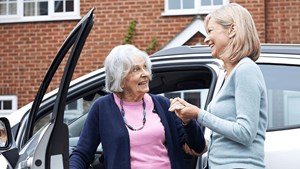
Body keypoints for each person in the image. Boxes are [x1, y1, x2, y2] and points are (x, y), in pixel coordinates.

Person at [69, 44, 206, 169]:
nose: (145, 74)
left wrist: (187, 121)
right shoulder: (102, 108)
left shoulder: (163, 105)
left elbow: (197, 147)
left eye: (145, 67)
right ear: (120, 79)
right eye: (136, 69)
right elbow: (82, 153)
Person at [169, 3, 268, 169]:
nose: (206, 38)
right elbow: (226, 135)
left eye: (211, 31)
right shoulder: (228, 74)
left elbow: (245, 133)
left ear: (232, 30)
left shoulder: (246, 70)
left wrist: (199, 114)